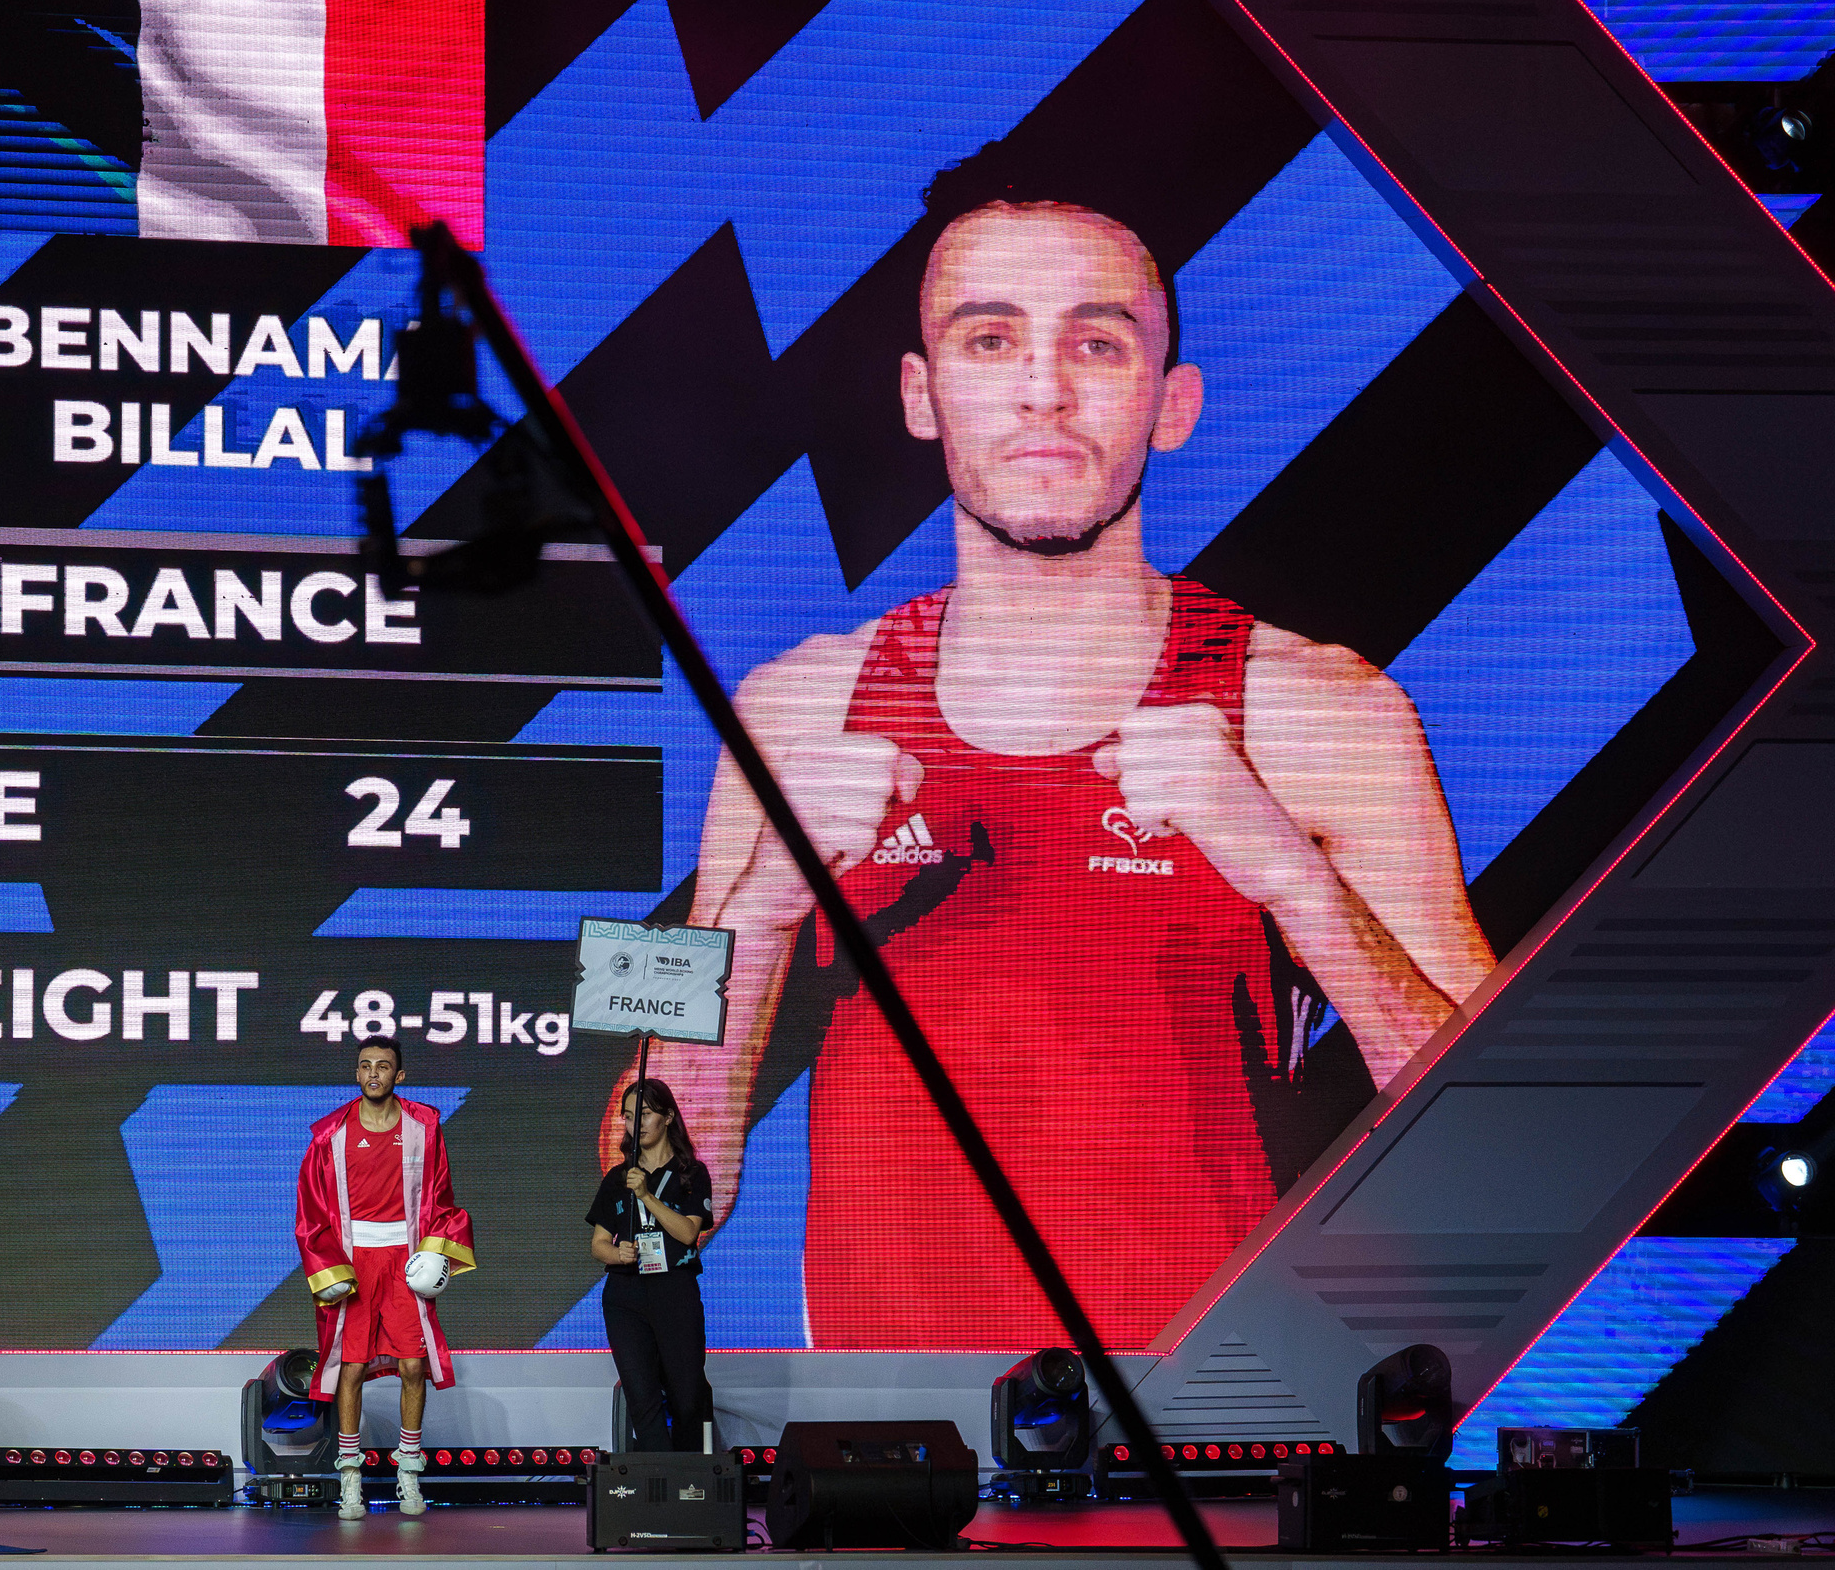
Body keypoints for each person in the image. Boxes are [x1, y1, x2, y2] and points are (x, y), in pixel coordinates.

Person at [617, 164, 1498, 1351]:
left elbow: (1499, 1157)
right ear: (921, 395)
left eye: (1096, 344)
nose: (1043, 390)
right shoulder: (783, 712)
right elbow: (637, 1213)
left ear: (1172, 403)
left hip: (1227, 1429)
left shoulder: (1328, 713)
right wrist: (755, 914)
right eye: (990, 341)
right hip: (896, 1445)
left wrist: (1298, 884)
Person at [295, 1036, 474, 1518]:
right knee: (351, 1368)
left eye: (383, 1066)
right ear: (357, 1074)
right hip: (354, 1262)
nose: (374, 1073)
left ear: (400, 1074)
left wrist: (435, 1252)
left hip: (404, 1261)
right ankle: (350, 1478)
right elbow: (311, 1209)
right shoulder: (329, 1134)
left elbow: (440, 1196)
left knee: (413, 1366)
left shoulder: (423, 1126)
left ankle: (408, 1473)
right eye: (365, 1066)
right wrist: (327, 1265)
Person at [588, 1078, 715, 1452]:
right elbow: (598, 1244)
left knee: (687, 1396)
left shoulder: (691, 1174)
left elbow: (688, 1233)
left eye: (644, 1114)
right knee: (642, 1400)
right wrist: (618, 1254)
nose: (635, 1124)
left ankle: (689, 1476)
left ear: (668, 1116)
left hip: (674, 1290)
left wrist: (646, 1194)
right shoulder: (618, 1178)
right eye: (628, 1117)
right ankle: (659, 1477)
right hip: (626, 1295)